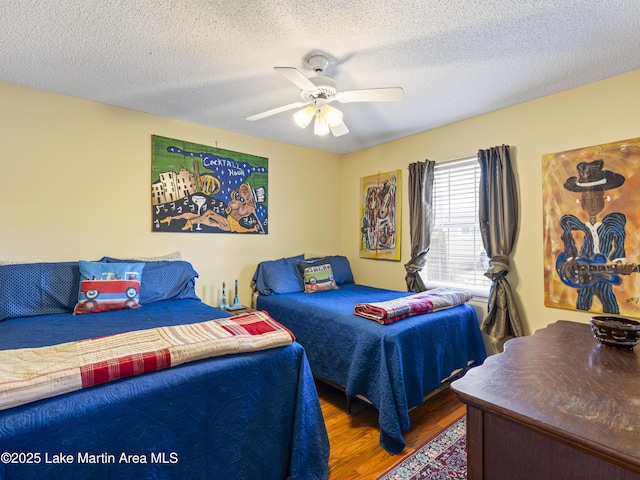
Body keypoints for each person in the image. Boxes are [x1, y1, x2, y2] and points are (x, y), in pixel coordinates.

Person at [556, 159, 635, 313]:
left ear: (604, 198)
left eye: (597, 198)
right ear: (581, 201)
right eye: (586, 199)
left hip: (604, 276)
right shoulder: (572, 224)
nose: (592, 204)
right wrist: (571, 260)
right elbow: (568, 243)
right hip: (584, 276)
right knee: (582, 305)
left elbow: (619, 246)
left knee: (610, 306)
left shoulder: (613, 222)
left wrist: (619, 263)